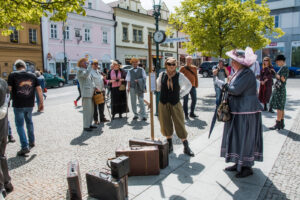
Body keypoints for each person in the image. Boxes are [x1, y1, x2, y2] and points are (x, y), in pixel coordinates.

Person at [215, 47, 263, 178]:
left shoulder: (246, 73)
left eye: (233, 61)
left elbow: (236, 90)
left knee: (245, 138)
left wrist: (221, 85)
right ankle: (237, 162)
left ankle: (246, 166)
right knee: (237, 137)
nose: (231, 63)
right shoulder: (239, 72)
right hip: (238, 111)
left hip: (246, 112)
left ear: (239, 62)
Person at [156, 57, 194, 157]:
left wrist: (180, 94)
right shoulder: (161, 75)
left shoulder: (179, 75)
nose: (171, 66)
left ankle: (186, 147)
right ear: (166, 65)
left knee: (180, 123)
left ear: (176, 66)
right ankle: (170, 145)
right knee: (165, 124)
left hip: (175, 103)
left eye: (173, 64)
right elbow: (157, 87)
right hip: (163, 103)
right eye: (169, 64)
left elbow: (188, 85)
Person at [8, 59, 44, 156]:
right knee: (29, 122)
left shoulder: (12, 75)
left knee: (20, 125)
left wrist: (7, 101)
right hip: (29, 104)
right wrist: (41, 103)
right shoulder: (32, 75)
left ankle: (24, 147)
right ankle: (31, 141)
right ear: (25, 66)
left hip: (18, 104)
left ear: (16, 67)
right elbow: (39, 90)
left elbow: (9, 90)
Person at [0, 78, 14, 198]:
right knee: (2, 155)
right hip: (3, 125)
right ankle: (7, 183)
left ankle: (1, 188)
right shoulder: (3, 82)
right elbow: (8, 101)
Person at [77, 58, 97, 132]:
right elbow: (85, 75)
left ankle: (89, 124)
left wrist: (95, 87)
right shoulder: (80, 71)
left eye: (86, 61)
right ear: (81, 63)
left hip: (90, 93)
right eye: (84, 62)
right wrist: (89, 66)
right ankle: (86, 126)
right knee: (86, 111)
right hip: (86, 93)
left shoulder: (87, 71)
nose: (86, 62)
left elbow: (91, 81)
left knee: (91, 110)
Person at [269, 55, 289, 130]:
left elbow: (283, 79)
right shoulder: (283, 67)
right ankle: (281, 123)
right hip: (281, 90)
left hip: (280, 90)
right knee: (281, 107)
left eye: (277, 62)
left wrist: (276, 75)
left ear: (281, 61)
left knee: (279, 108)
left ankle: (278, 123)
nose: (277, 63)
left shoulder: (285, 68)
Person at [91, 59, 109, 124]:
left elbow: (102, 81)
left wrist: (103, 88)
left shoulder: (99, 72)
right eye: (94, 64)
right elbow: (91, 82)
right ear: (91, 65)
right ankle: (95, 120)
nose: (96, 65)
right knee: (95, 107)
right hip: (95, 91)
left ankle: (102, 118)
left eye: (97, 64)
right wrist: (95, 88)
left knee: (102, 105)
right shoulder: (90, 72)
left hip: (101, 90)